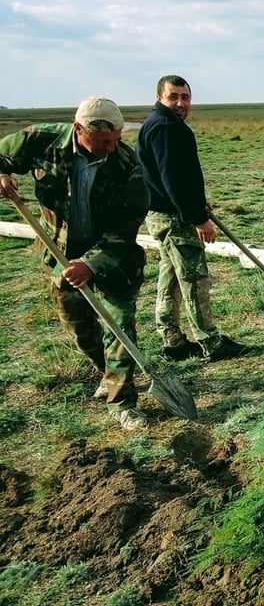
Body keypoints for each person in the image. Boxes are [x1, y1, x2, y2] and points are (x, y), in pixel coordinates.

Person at [0, 97, 151, 430]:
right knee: (78, 324)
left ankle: (123, 402)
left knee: (119, 321)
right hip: (59, 253)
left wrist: (92, 263)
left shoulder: (128, 164)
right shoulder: (41, 140)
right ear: (78, 129)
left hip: (112, 256)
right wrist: (2, 173)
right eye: (102, 142)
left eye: (115, 140)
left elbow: (128, 224)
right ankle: (107, 371)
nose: (110, 148)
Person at [135, 74, 249, 361]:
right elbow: (173, 179)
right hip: (174, 219)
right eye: (173, 97)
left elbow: (170, 178)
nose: (180, 103)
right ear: (159, 97)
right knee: (193, 278)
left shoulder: (159, 124)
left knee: (171, 275)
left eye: (185, 97)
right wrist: (198, 218)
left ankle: (172, 341)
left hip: (162, 214)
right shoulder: (165, 128)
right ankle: (211, 342)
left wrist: (198, 202)